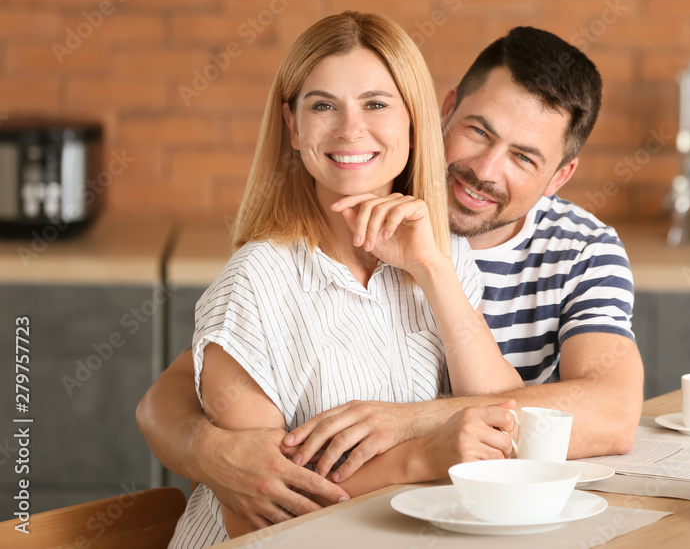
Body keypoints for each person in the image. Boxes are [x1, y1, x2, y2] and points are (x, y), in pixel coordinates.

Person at [138, 26, 644, 531]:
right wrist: (204, 447)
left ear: (559, 175)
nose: (485, 170)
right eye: (479, 131)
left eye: (523, 156)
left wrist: (414, 412)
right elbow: (240, 478)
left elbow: (608, 415)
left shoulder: (502, 253)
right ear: (440, 113)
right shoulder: (264, 276)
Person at [166, 11, 523, 547]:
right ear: (293, 126)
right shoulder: (255, 282)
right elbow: (254, 517)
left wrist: (430, 270)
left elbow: (506, 419)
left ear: (413, 120)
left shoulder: (442, 252)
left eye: (376, 104)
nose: (350, 129)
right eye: (323, 106)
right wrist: (423, 455)